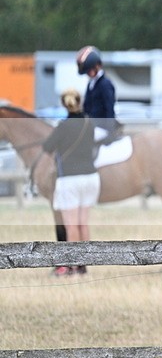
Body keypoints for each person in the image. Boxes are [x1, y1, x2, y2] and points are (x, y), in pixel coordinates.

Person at [42, 88, 100, 276]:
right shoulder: (88, 124)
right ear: (79, 102)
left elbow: (47, 147)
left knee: (71, 225)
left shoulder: (62, 127)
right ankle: (84, 265)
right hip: (90, 177)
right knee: (83, 223)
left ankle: (72, 265)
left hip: (70, 179)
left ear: (64, 105)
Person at [76, 45, 121, 141]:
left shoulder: (105, 84)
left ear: (97, 66)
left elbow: (109, 108)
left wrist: (110, 131)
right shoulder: (91, 84)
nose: (88, 74)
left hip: (102, 128)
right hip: (92, 126)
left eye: (89, 70)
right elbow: (87, 108)